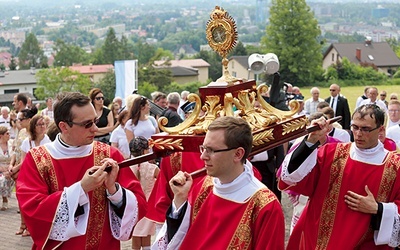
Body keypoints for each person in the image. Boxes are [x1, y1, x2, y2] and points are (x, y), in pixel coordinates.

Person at [16, 92, 147, 249]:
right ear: (64, 126)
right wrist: (81, 189)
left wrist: (114, 190)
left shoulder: (109, 155)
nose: (95, 129)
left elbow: (139, 203)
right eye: (87, 124)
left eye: (95, 121)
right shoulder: (38, 159)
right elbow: (32, 210)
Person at [153, 116, 285, 249]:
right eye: (203, 148)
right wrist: (180, 200)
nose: (203, 156)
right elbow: (181, 237)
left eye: (211, 150)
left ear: (238, 154)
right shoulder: (205, 186)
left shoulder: (264, 205)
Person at [279, 104, 400, 249]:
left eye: (365, 129)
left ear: (381, 130)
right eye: (355, 127)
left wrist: (379, 209)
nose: (358, 134)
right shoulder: (331, 153)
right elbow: (293, 178)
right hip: (321, 242)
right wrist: (311, 141)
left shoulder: (395, 166)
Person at [129, 136, 159, 250]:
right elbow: (163, 182)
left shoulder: (127, 167)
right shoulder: (152, 168)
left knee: (135, 235)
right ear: (145, 151)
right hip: (149, 206)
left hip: (134, 207)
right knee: (146, 234)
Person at [0, 126, 13, 211]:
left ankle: (6, 199)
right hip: (0, 168)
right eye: (7, 133)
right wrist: (2, 170)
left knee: (7, 178)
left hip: (11, 168)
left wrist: (10, 169)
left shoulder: (12, 143)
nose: (9, 135)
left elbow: (15, 157)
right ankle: (4, 199)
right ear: (1, 135)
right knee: (2, 179)